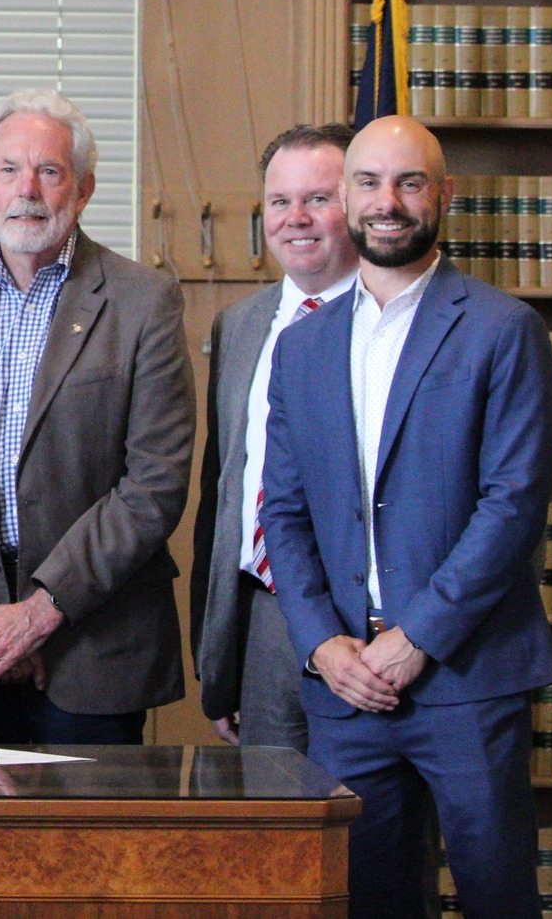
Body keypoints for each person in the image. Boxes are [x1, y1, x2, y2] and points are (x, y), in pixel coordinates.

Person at [261, 115, 552, 919]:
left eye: (410, 182)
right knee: (366, 904)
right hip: (347, 686)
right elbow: (283, 511)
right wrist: (322, 642)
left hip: (468, 677)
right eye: (368, 182)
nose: (387, 201)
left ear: (444, 194)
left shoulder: (504, 329)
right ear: (346, 195)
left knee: (498, 898)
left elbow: (513, 504)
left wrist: (417, 635)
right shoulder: (302, 346)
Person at [0, 87, 192, 745]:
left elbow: (154, 484)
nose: (26, 189)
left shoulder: (144, 302)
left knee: (87, 819)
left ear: (82, 189)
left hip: (92, 651)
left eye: (49, 171)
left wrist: (37, 613)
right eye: (9, 169)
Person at [189, 123, 358, 753]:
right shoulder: (240, 325)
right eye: (281, 201)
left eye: (319, 199)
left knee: (369, 808)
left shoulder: (392, 321)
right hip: (262, 614)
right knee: (272, 803)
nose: (296, 218)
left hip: (359, 618)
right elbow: (222, 490)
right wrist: (218, 655)